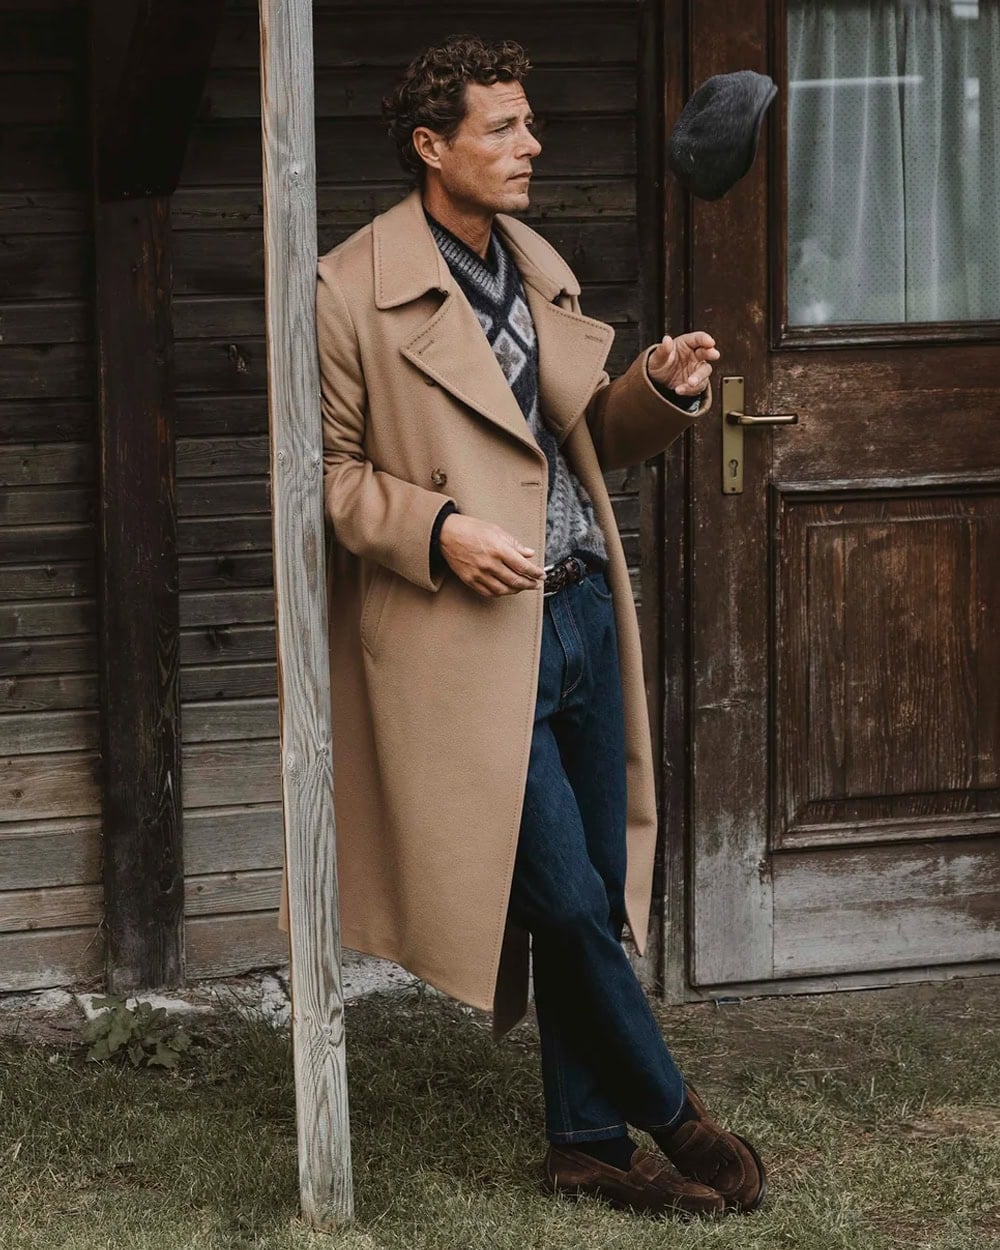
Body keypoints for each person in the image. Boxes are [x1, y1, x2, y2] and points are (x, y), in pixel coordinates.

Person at [278, 34, 766, 1220]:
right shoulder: (346, 288)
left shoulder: (536, 260)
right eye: (502, 127)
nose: (530, 145)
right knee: (559, 893)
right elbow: (325, 480)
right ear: (430, 146)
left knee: (589, 889)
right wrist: (440, 528)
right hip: (465, 636)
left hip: (581, 607)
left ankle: (585, 1143)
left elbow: (580, 431)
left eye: (529, 122)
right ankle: (672, 1112)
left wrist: (660, 387)